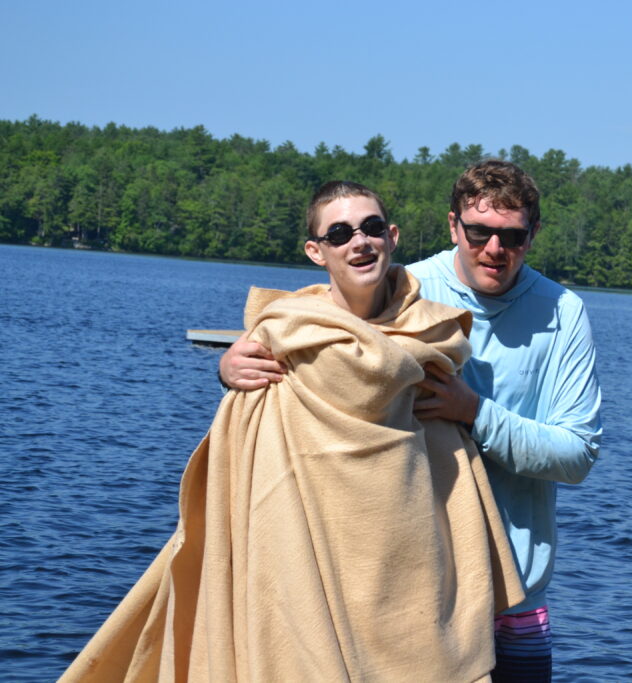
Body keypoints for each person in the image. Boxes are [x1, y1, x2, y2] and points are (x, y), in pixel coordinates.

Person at [62, 181, 523, 682]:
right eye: (340, 233)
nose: (359, 241)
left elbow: (447, 460)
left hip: (409, 572)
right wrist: (225, 371)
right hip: (305, 559)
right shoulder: (284, 336)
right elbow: (247, 449)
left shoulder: (431, 336)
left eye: (370, 228)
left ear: (392, 237)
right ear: (316, 251)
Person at [222, 161, 603, 681]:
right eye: (479, 232)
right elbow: (321, 331)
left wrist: (475, 413)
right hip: (417, 595)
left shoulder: (564, 311)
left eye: (512, 235)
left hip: (518, 588)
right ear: (453, 226)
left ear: (533, 234)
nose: (495, 248)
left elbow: (576, 455)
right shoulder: (406, 288)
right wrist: (234, 364)